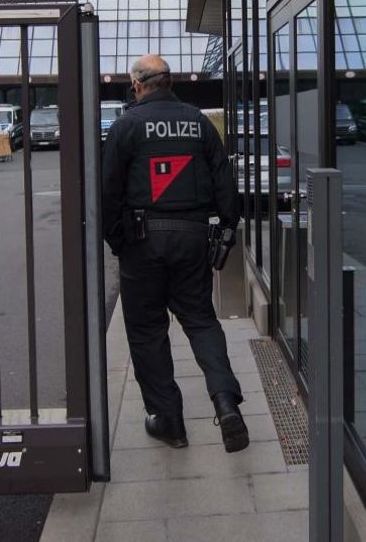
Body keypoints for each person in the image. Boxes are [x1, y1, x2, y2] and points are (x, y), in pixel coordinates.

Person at [101, 54, 249, 453]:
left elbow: (108, 192)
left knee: (148, 331)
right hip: (192, 239)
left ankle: (169, 421)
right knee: (201, 322)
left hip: (142, 243)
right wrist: (228, 230)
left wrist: (118, 241)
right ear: (169, 82)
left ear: (138, 84)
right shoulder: (199, 122)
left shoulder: (126, 125)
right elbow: (224, 181)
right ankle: (225, 402)